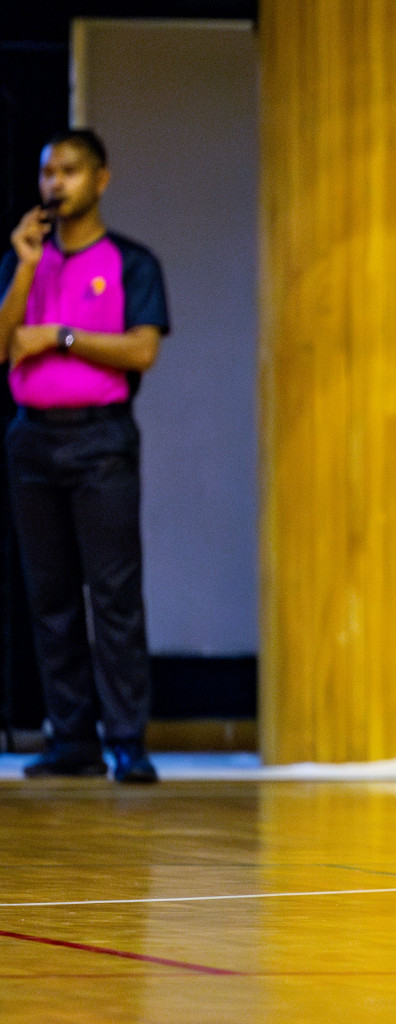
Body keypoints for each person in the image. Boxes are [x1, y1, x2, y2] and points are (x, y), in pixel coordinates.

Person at [0, 129, 168, 784]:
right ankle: (71, 739)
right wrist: (22, 267)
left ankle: (127, 741)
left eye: (69, 171)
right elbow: (4, 344)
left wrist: (63, 336)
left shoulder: (131, 262)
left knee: (114, 594)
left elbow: (142, 351)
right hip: (31, 438)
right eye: (47, 173)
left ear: (100, 179)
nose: (54, 184)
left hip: (101, 439)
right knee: (50, 596)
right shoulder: (24, 258)